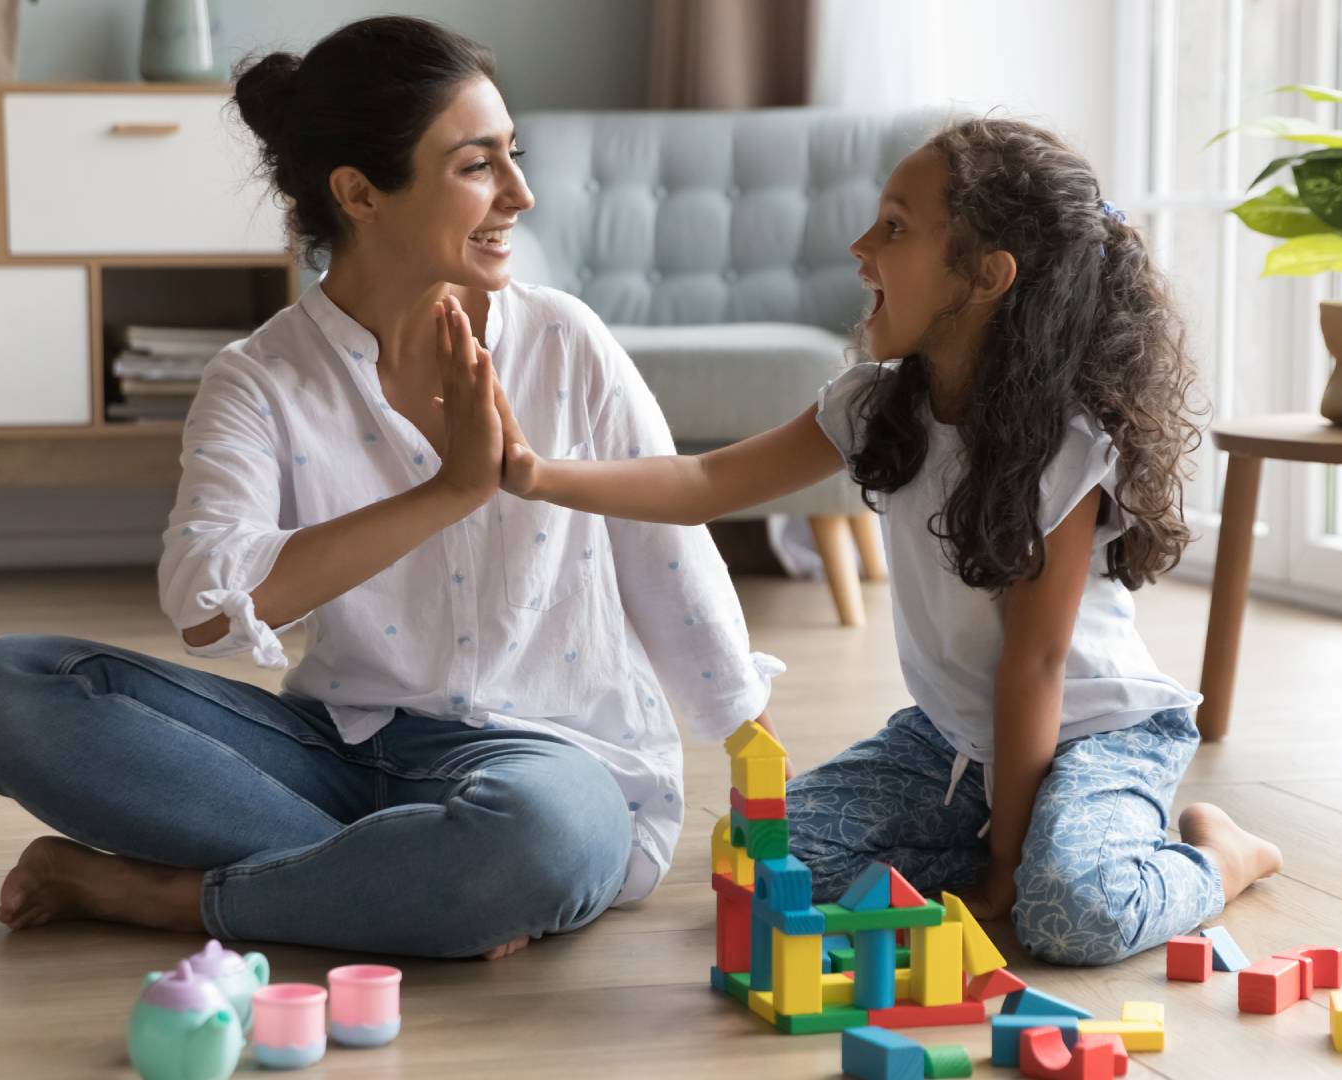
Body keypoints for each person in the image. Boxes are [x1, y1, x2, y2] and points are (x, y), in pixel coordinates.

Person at [0, 15, 782, 961]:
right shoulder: (259, 380)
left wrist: (751, 745)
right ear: (358, 193)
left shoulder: (563, 341)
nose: (522, 193)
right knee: (7, 687)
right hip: (328, 756)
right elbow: (207, 608)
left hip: (543, 765)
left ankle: (178, 898)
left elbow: (665, 551)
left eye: (515, 155)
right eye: (478, 166)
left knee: (543, 841)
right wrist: (450, 491)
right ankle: (412, 886)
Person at [492, 117, 1283, 964]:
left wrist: (1009, 876)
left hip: (1092, 732)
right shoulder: (872, 404)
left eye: (896, 228)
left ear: (985, 276)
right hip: (950, 741)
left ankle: (1216, 853)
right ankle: (1026, 839)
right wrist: (534, 473)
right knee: (764, 866)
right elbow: (704, 485)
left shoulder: (1064, 445)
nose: (861, 245)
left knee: (1066, 918)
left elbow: (1036, 668)